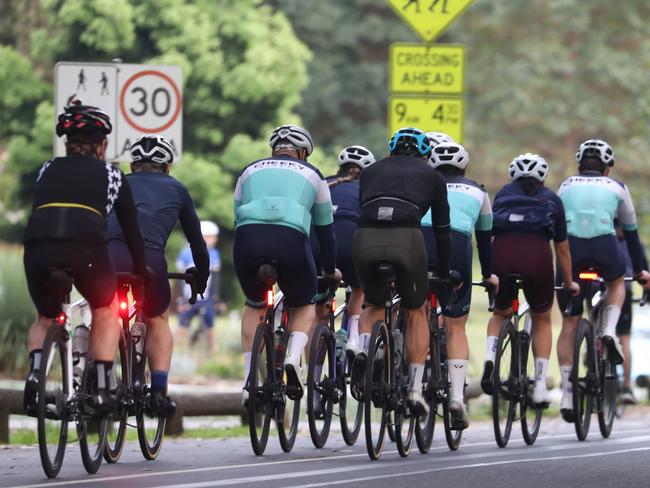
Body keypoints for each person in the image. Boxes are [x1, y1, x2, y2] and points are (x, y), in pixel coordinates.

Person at [23, 99, 149, 414]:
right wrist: (142, 269)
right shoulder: (112, 175)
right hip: (85, 247)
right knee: (105, 309)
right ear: (102, 144)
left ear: (67, 143)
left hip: (38, 244)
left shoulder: (47, 168)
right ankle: (105, 388)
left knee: (44, 317)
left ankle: (35, 376)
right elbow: (132, 232)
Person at [233, 125, 340, 404]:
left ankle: (249, 381)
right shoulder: (314, 175)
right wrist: (329, 271)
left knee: (254, 304)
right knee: (304, 304)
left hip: (248, 240)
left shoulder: (249, 170)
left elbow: (237, 217)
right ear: (303, 152)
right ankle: (292, 356)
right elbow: (325, 232)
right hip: (290, 241)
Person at [106, 134, 209, 416]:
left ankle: (99, 377)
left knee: (105, 312)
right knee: (157, 318)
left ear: (133, 165)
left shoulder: (116, 181)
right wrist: (201, 275)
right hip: (150, 259)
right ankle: (159, 392)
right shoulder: (177, 189)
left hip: (109, 255)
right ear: (167, 167)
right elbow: (197, 242)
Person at [352, 127, 451, 414]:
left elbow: (366, 208)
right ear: (424, 153)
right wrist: (443, 272)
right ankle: (415, 390)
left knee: (373, 301)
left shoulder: (370, 171)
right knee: (415, 309)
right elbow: (443, 232)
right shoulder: (433, 176)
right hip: (406, 239)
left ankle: (365, 347)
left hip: (365, 238)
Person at [556, 139, 650, 421]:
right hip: (605, 247)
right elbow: (631, 234)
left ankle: (568, 394)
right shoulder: (618, 187)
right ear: (608, 169)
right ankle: (608, 329)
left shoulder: (564, 186)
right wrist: (643, 272)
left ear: (578, 166)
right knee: (617, 283)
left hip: (571, 251)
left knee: (569, 323)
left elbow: (556, 228)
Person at [483, 153, 579, 408]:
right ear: (543, 177)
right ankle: (538, 386)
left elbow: (490, 234)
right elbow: (563, 249)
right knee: (542, 318)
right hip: (537, 259)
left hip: (502, 256)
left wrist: (488, 271)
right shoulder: (553, 200)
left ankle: (490, 360)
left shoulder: (502, 194)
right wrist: (569, 282)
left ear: (513, 175)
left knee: (500, 313)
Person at [422, 141, 498, 428]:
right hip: (456, 250)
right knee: (455, 325)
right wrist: (489, 274)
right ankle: (456, 395)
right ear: (464, 167)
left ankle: (413, 387)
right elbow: (485, 239)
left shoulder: (422, 186)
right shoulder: (478, 192)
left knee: (415, 312)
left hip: (420, 245)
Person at [176, 220, 223, 352]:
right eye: (212, 236)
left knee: (210, 327)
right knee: (183, 326)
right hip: (188, 297)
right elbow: (179, 279)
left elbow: (215, 278)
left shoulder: (214, 253)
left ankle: (213, 354)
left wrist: (215, 296)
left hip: (206, 298)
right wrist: (180, 298)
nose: (215, 240)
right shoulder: (185, 254)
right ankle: (178, 352)